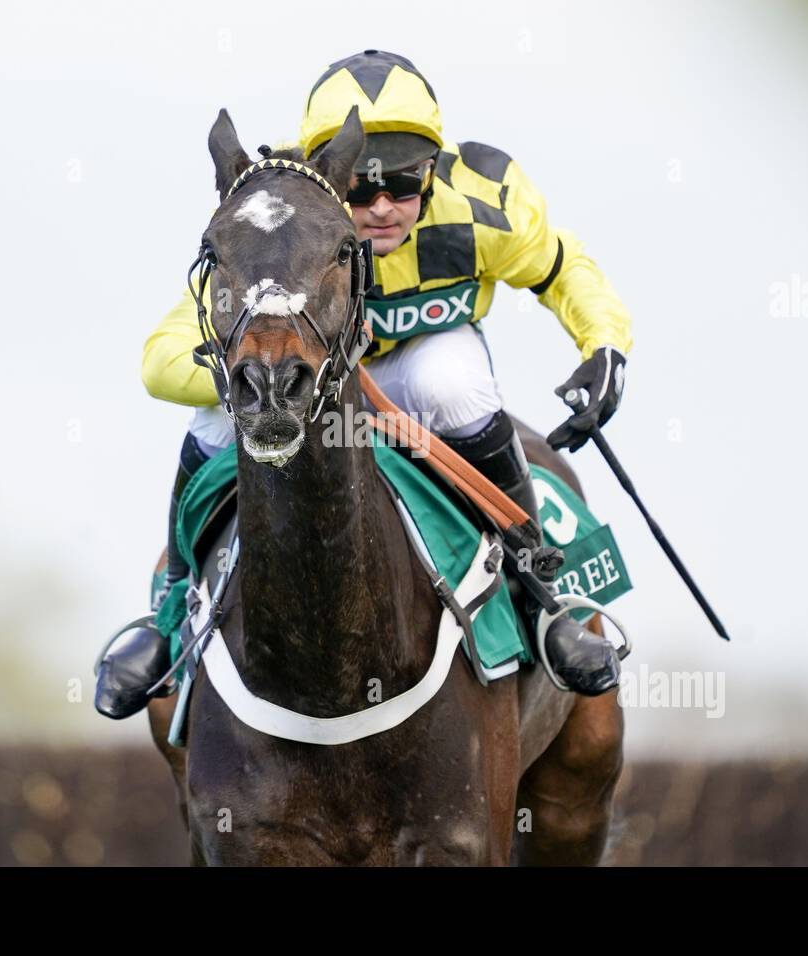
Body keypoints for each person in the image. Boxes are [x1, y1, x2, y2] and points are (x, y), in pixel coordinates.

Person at [96, 50, 633, 719]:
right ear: (331, 177)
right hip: (307, 389)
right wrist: (256, 379)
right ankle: (170, 615)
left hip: (417, 365)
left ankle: (542, 600)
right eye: (362, 189)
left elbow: (563, 270)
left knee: (450, 382)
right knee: (212, 420)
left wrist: (605, 346)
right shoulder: (280, 219)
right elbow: (161, 360)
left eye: (404, 184)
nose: (381, 208)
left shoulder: (485, 204)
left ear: (433, 168)